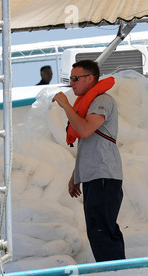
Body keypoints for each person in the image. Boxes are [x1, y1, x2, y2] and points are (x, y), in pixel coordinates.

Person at [52, 60, 125, 262]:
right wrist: (76, 175)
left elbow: (84, 130)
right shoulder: (89, 103)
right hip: (95, 176)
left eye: (75, 78)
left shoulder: (103, 101)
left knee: (102, 230)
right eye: (70, 79)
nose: (72, 83)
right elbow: (89, 145)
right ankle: (114, 273)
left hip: (104, 176)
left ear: (90, 78)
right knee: (98, 229)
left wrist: (65, 106)